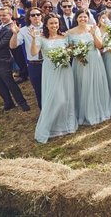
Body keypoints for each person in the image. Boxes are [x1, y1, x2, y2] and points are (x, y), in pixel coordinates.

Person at [30, 13, 78, 143]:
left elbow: (71, 51)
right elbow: (34, 53)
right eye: (51, 23)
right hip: (50, 71)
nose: (54, 25)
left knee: (66, 97)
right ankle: (48, 127)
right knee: (55, 98)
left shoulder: (64, 37)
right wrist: (34, 39)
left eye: (56, 23)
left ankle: (67, 125)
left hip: (65, 69)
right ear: (46, 24)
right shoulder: (41, 38)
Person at [67, 10, 111, 125]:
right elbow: (69, 49)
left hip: (94, 59)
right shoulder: (70, 32)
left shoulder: (94, 28)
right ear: (76, 18)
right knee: (83, 84)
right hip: (80, 62)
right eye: (80, 17)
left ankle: (99, 110)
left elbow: (100, 46)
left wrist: (93, 34)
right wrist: (76, 54)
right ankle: (85, 112)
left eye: (85, 17)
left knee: (96, 83)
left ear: (88, 18)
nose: (83, 19)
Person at [0, 7, 30, 111]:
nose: (2, 17)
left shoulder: (11, 29)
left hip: (3, 60)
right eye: (0, 15)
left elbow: (1, 44)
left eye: (4, 15)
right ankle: (8, 103)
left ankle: (22, 103)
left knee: (10, 83)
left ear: (10, 15)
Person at [9, 7, 44, 108]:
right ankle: (43, 112)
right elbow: (13, 46)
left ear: (41, 15)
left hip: (48, 63)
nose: (36, 16)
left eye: (38, 14)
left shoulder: (47, 27)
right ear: (29, 17)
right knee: (39, 90)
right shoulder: (24, 30)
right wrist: (15, 34)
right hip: (34, 65)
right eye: (33, 15)